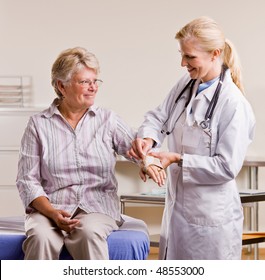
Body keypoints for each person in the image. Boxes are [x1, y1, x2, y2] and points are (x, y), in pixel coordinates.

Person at [16, 47, 165, 260]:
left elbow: (138, 150)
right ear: (61, 86)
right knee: (41, 237)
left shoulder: (107, 120)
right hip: (50, 208)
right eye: (85, 82)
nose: (93, 87)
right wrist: (51, 212)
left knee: (88, 233)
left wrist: (147, 161)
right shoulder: (38, 125)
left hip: (96, 207)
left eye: (95, 81)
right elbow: (27, 180)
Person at [128, 16, 256, 260]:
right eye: (182, 54)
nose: (182, 63)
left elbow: (226, 167)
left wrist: (177, 158)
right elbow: (158, 117)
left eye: (190, 57)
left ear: (215, 53)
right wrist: (148, 140)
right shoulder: (186, 85)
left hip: (210, 219)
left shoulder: (234, 104)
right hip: (178, 210)